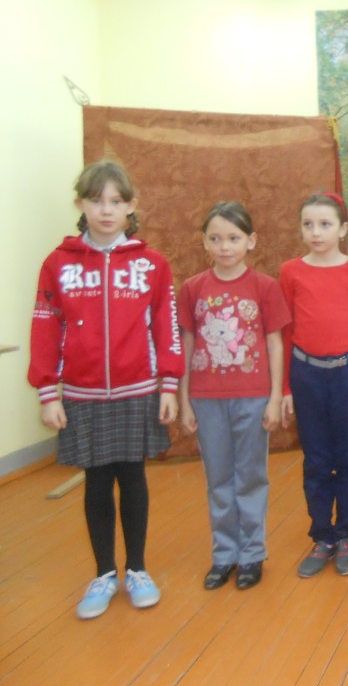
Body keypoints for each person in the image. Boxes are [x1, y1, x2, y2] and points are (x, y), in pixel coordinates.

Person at [28, 160, 183, 619]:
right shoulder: (58, 264)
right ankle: (104, 574)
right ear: (81, 204)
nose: (106, 210)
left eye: (116, 201)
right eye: (97, 201)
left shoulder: (152, 264)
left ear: (131, 206)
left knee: (133, 477)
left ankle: (137, 569)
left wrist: (169, 385)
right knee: (96, 481)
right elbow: (45, 328)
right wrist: (48, 392)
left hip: (139, 390)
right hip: (83, 394)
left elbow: (166, 326)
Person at [178, 202, 290, 590]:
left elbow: (275, 343)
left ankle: (252, 554)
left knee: (251, 476)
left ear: (250, 241)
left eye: (233, 238)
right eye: (215, 238)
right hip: (206, 398)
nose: (225, 246)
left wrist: (275, 397)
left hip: (253, 396)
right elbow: (187, 343)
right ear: (204, 242)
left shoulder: (265, 287)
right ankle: (224, 554)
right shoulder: (193, 288)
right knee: (219, 477)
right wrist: (184, 398)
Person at [280, 193, 348, 578]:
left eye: (325, 224)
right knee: (316, 460)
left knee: (347, 458)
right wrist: (286, 388)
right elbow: (286, 331)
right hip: (307, 376)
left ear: (342, 229)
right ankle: (322, 536)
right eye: (308, 224)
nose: (316, 232)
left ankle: (347, 535)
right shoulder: (290, 271)